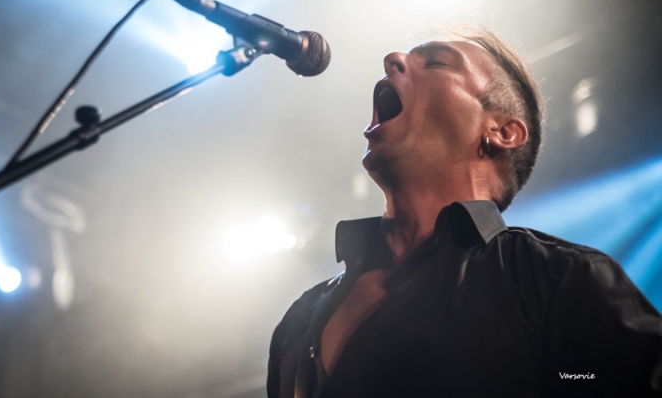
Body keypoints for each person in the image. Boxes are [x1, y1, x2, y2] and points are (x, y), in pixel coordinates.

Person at [266, 24, 662, 397]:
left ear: (502, 132)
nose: (392, 59)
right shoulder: (302, 313)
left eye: (437, 62)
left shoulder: (561, 282)